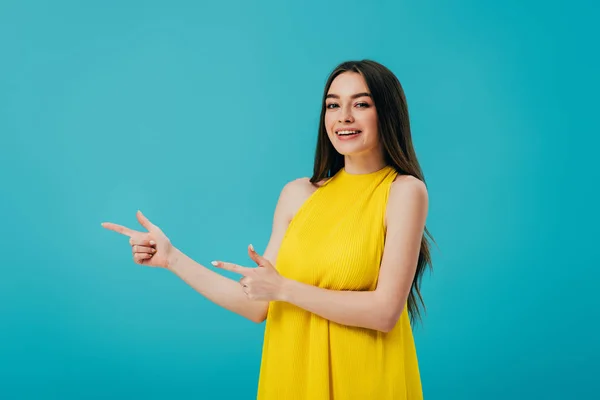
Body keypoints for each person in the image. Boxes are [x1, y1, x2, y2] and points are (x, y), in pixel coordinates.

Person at [101, 59, 433, 399]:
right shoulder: (297, 194)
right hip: (292, 379)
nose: (343, 116)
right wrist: (171, 258)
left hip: (365, 381)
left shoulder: (403, 191)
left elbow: (385, 312)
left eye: (361, 104)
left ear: (388, 113)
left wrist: (285, 289)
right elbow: (257, 305)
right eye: (333, 105)